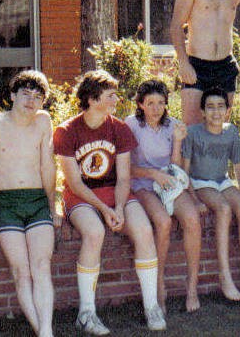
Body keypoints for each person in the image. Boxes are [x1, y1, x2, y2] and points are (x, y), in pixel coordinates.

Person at [53, 70, 166, 334]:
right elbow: (75, 183)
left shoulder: (119, 128)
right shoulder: (66, 131)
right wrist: (105, 210)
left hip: (115, 192)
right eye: (110, 95)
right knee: (94, 232)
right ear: (93, 99)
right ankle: (86, 313)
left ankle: (151, 306)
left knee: (143, 229)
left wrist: (118, 208)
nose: (116, 99)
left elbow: (124, 177)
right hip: (81, 196)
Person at [0, 70, 60, 337]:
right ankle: (43, 332)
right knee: (21, 271)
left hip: (37, 201)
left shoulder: (43, 121)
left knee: (41, 266)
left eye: (38, 97)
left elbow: (47, 166)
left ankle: (46, 330)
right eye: (26, 94)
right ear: (13, 95)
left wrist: (52, 206)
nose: (31, 101)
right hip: (5, 204)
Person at [125, 79, 202, 313]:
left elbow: (175, 167)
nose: (156, 108)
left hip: (168, 182)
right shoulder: (131, 125)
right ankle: (158, 285)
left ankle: (192, 286)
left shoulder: (173, 125)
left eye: (160, 102)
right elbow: (126, 168)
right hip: (143, 184)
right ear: (140, 104)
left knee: (192, 219)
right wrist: (152, 174)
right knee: (163, 222)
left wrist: (177, 142)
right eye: (150, 103)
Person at [181, 87, 240, 302]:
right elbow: (184, 170)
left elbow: (238, 165)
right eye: (210, 107)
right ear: (202, 112)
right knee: (224, 209)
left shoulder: (231, 131)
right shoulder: (193, 133)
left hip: (222, 181)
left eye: (220, 107)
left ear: (227, 110)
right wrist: (193, 199)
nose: (216, 112)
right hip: (200, 182)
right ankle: (225, 276)